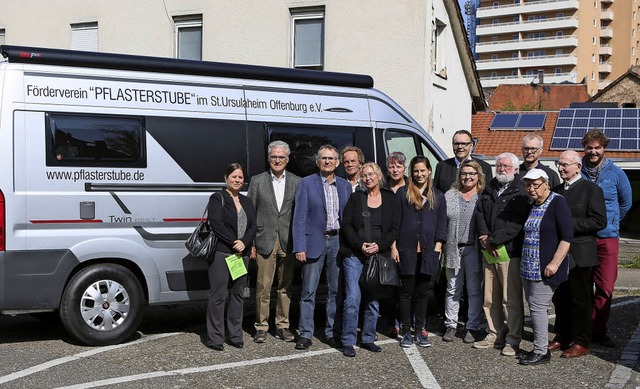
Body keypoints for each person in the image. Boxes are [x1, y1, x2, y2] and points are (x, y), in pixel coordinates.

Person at [292, 145, 352, 350]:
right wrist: (299, 246)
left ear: (337, 162)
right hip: (313, 242)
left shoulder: (345, 186)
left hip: (337, 242)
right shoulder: (306, 184)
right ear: (318, 162)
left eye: (331, 158)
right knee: (309, 290)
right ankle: (306, 334)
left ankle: (331, 332)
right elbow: (299, 218)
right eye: (323, 158)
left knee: (336, 291)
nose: (327, 161)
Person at [340, 162, 400, 357]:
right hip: (355, 255)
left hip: (379, 255)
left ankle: (367, 337)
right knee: (353, 298)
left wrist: (380, 246)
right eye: (364, 175)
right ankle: (348, 340)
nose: (367, 178)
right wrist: (360, 245)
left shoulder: (390, 199)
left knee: (373, 299)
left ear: (379, 175)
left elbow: (394, 229)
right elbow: (347, 226)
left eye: (371, 174)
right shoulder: (356, 198)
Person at [551, 150, 606, 358]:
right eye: (559, 164)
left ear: (577, 167)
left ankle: (581, 341)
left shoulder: (591, 190)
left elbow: (599, 221)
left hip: (580, 254)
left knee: (581, 299)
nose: (561, 168)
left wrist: (568, 226)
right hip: (558, 255)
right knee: (560, 298)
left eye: (565, 164)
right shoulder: (556, 191)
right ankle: (562, 336)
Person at [474, 152, 530, 357]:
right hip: (488, 250)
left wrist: (495, 240)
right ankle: (494, 333)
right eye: (499, 165)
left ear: (515, 169)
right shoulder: (489, 188)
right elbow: (479, 212)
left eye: (506, 166)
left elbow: (516, 223)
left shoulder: (521, 191)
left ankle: (513, 338)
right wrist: (485, 236)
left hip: (509, 251)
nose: (502, 169)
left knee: (510, 298)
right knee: (490, 296)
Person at [580, 129, 632, 347]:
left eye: (597, 147)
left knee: (605, 287)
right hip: (583, 238)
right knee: (581, 287)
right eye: (590, 147)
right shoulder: (576, 170)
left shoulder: (616, 173)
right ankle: (580, 332)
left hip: (607, 239)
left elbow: (626, 202)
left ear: (604, 148)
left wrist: (611, 223)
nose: (593, 151)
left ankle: (598, 331)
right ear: (584, 148)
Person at [517, 169, 573, 365]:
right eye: (527, 185)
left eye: (535, 184)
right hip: (528, 266)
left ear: (546, 184)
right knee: (533, 307)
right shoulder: (532, 204)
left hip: (545, 267)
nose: (531, 189)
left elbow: (567, 237)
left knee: (539, 308)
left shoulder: (558, 202)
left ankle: (542, 352)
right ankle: (539, 348)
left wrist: (555, 263)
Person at [247, 141, 301, 344]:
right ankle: (261, 327)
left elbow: (300, 213)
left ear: (287, 159)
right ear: (268, 159)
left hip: (288, 241)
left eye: (281, 157)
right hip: (264, 239)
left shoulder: (297, 182)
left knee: (285, 286)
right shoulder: (257, 181)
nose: (277, 160)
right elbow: (250, 213)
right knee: (263, 285)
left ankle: (283, 326)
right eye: (273, 157)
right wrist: (251, 242)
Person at [393, 156, 447, 348]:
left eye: (423, 170)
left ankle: (420, 331)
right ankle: (406, 332)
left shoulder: (438, 196)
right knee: (406, 293)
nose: (419, 174)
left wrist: (438, 247)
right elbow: (395, 223)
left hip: (428, 251)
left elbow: (441, 224)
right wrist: (393, 247)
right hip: (406, 250)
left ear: (429, 171)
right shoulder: (402, 193)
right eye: (416, 171)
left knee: (422, 293)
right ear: (411, 172)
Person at [205, 163, 257, 351]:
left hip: (240, 255)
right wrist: (235, 242)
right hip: (222, 252)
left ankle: (235, 335)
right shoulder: (217, 198)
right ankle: (215, 338)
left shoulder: (247, 201)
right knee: (218, 296)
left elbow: (253, 226)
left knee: (238, 295)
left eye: (240, 177)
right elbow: (216, 224)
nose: (237, 180)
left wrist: (245, 242)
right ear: (226, 178)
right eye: (234, 176)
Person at [442, 160, 485, 344]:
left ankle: (472, 325)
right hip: (453, 247)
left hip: (473, 249)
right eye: (464, 173)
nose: (467, 177)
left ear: (478, 176)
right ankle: (451, 324)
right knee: (452, 288)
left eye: (471, 174)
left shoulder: (483, 196)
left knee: (474, 290)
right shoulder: (450, 195)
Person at [381, 151, 408, 338]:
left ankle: (407, 320)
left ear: (404, 168)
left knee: (406, 286)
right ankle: (391, 322)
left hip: (408, 242)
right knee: (389, 285)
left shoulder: (412, 186)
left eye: (398, 166)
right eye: (391, 166)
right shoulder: (382, 188)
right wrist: (392, 246)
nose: (395, 169)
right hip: (388, 242)